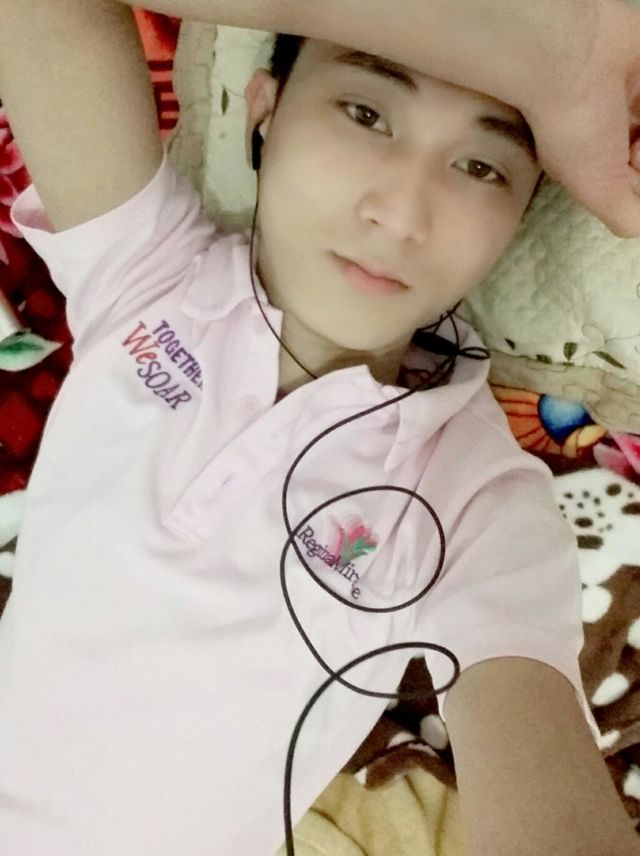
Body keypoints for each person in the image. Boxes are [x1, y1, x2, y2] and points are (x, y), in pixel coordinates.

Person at [0, 2, 639, 856]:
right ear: (262, 112)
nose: (401, 214)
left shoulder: (473, 499)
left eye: (481, 166)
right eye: (366, 112)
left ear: (518, 223)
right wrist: (541, 50)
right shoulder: (147, 275)